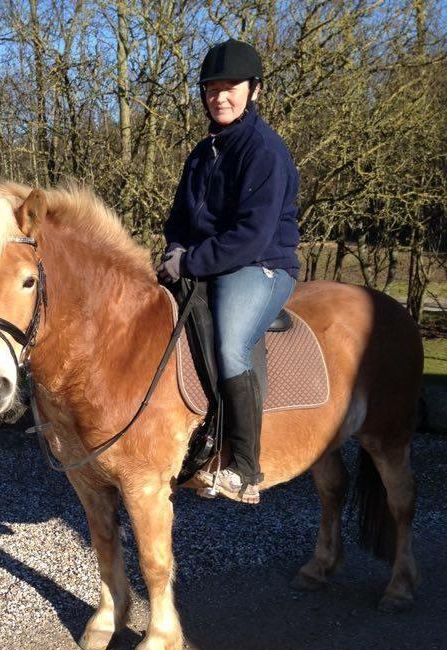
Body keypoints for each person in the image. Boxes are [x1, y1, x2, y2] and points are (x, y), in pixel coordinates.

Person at [157, 38, 299, 504]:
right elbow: (178, 220)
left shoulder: (264, 151)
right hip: (207, 263)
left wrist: (191, 261)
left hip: (260, 266)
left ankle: (245, 466)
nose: (220, 96)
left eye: (231, 87)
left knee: (230, 342)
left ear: (253, 90)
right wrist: (176, 250)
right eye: (212, 88)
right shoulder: (202, 153)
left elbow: (251, 236)